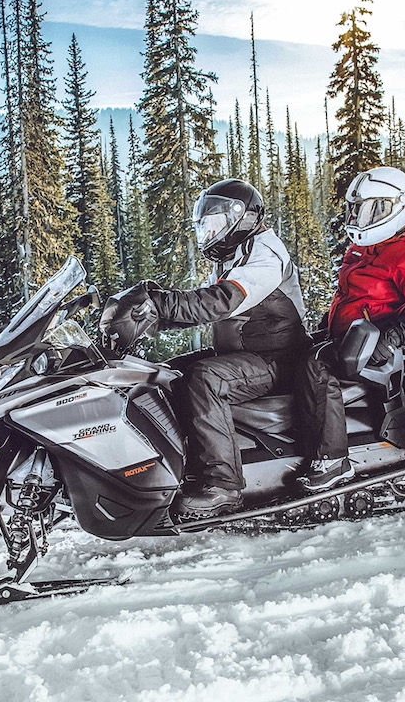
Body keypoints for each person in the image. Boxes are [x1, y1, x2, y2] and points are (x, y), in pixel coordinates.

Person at [100, 178, 308, 519]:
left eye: (215, 223)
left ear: (241, 219)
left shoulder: (265, 254)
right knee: (170, 374)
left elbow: (223, 301)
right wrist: (151, 320)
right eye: (205, 225)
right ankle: (187, 464)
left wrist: (161, 303)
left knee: (205, 378)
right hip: (246, 354)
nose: (209, 232)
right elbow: (207, 308)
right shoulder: (236, 253)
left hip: (276, 360)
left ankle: (224, 485)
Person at [295, 166, 405, 491]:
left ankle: (333, 459)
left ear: (397, 208)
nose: (362, 218)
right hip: (352, 341)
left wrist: (396, 333)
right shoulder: (363, 250)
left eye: (372, 210)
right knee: (300, 354)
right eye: (358, 210)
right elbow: (352, 297)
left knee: (317, 368)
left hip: (379, 351)